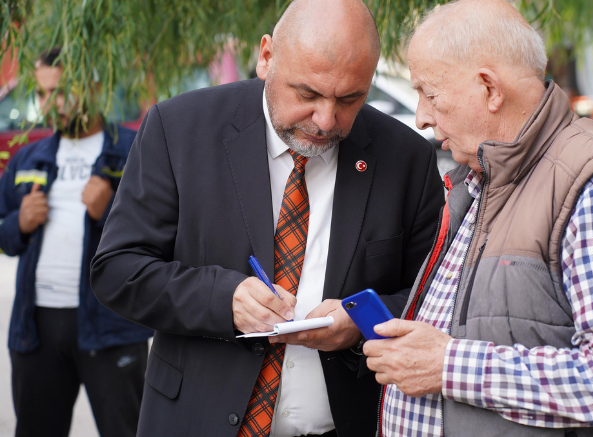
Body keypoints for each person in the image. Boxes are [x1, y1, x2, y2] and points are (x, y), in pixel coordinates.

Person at [363, 1, 593, 436]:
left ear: (490, 90)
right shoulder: (482, 178)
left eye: (430, 94)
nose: (420, 116)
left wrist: (447, 365)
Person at [89, 0, 444, 436]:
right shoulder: (179, 128)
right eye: (308, 94)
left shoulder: (405, 157)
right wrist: (224, 300)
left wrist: (361, 325)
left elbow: (435, 298)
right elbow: (117, 270)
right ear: (266, 57)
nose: (326, 120)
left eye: (350, 98)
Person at [0, 48, 153, 437]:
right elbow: (5, 238)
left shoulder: (136, 149)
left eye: (62, 91)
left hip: (112, 323)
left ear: (94, 85)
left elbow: (163, 236)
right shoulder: (27, 158)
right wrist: (18, 223)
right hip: (37, 329)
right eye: (42, 93)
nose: (52, 104)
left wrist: (109, 211)